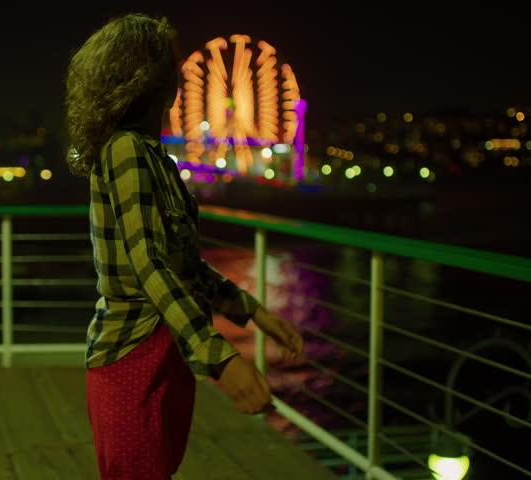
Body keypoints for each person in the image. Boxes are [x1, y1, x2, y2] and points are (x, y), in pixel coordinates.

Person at [65, 13, 304, 480]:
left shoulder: (158, 161)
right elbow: (149, 263)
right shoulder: (126, 151)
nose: (177, 78)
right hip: (135, 353)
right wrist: (222, 359)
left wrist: (254, 313)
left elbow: (185, 266)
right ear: (146, 77)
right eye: (171, 66)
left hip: (165, 352)